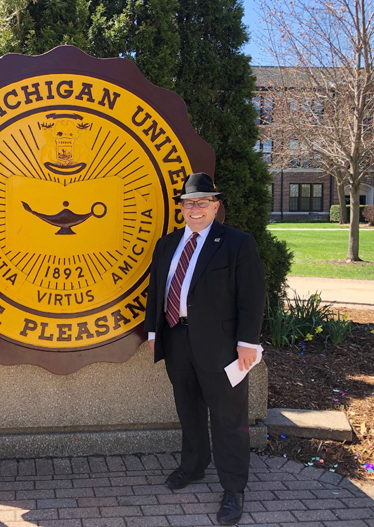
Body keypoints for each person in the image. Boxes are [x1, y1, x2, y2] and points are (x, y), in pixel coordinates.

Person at [144, 172, 265, 525]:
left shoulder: (237, 243)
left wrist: (248, 343)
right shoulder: (167, 244)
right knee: (189, 410)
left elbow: (252, 297)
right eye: (188, 203)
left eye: (202, 202)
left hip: (222, 346)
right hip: (176, 339)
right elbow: (157, 290)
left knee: (228, 418)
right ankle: (194, 466)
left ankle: (233, 488)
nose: (194, 209)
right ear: (181, 208)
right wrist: (153, 331)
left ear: (215, 206)